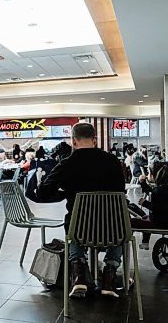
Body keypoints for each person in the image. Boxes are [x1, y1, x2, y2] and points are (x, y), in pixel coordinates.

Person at [32, 123, 125, 298]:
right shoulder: (112, 161)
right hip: (112, 229)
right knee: (119, 226)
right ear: (95, 140)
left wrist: (65, 189)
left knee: (74, 224)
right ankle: (109, 278)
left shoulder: (67, 163)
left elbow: (44, 192)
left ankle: (79, 277)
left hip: (81, 230)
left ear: (73, 141)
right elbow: (120, 192)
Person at [130, 161, 168, 250]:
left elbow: (160, 208)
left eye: (149, 173)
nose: (147, 175)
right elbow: (151, 192)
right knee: (144, 217)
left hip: (159, 223)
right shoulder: (163, 189)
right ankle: (145, 243)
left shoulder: (160, 191)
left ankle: (125, 244)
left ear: (155, 176)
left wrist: (145, 203)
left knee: (131, 222)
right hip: (163, 221)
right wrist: (143, 183)